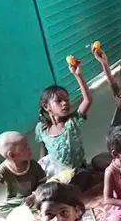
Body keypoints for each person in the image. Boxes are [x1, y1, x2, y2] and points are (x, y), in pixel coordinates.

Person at [35, 58, 93, 189]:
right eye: (58, 101)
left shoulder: (72, 122)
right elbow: (43, 152)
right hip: (57, 174)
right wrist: (41, 170)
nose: (65, 103)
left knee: (83, 177)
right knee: (46, 186)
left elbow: (88, 100)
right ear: (46, 106)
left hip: (76, 170)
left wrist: (78, 75)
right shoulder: (42, 129)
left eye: (66, 100)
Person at [0, 131, 46, 218]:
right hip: (17, 202)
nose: (29, 148)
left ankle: (25, 214)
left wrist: (34, 195)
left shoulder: (33, 165)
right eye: (25, 146)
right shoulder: (3, 170)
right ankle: (28, 214)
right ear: (11, 154)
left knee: (49, 200)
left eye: (27, 145)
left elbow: (43, 184)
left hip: (34, 198)